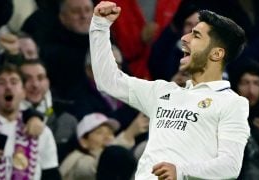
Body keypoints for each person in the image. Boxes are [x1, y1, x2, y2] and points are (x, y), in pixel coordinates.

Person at [90, 1, 250, 179]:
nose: (184, 38)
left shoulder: (232, 103)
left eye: (196, 36)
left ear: (216, 54)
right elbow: (108, 81)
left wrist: (181, 171)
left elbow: (230, 166)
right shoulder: (162, 91)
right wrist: (100, 26)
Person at [229, 61, 259, 180]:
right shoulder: (224, 118)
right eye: (245, 83)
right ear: (235, 86)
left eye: (256, 83)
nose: (251, 90)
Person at [19, 60, 78, 144]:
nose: (35, 84)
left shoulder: (67, 119)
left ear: (48, 82)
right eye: (27, 79)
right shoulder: (2, 115)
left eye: (40, 78)